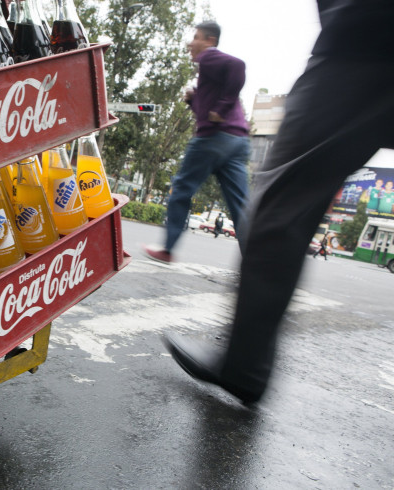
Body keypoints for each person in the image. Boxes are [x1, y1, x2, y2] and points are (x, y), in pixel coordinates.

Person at [162, 0, 394, 404]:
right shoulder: (204, 67)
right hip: (365, 35)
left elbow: (235, 70)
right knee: (253, 206)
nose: (191, 43)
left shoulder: (214, 56)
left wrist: (215, 111)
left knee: (280, 199)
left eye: (195, 37)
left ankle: (244, 365)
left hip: (363, 37)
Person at [144, 21, 249, 264]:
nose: (191, 43)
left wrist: (221, 108)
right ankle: (256, 260)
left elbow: (238, 65)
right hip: (237, 141)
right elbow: (206, 112)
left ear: (210, 41)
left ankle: (167, 249)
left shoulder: (209, 58)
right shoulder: (209, 74)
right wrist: (195, 100)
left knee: (181, 189)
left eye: (196, 37)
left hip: (213, 139)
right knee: (240, 205)